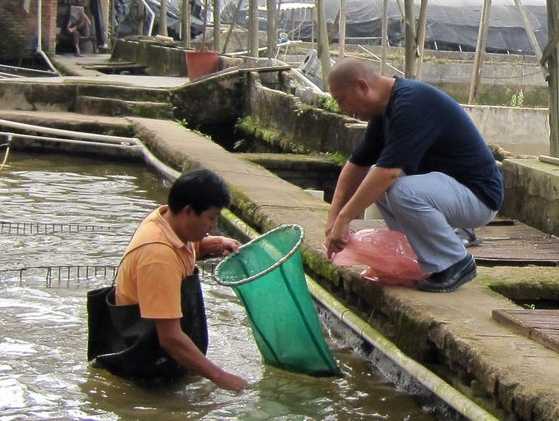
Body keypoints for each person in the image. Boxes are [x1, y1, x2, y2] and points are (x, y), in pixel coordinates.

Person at [324, 58, 503, 293]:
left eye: (342, 100)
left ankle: (455, 262)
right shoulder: (383, 110)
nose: (342, 109)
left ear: (362, 86)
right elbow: (357, 165)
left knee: (398, 188)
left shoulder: (412, 103)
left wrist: (345, 218)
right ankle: (416, 258)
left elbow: (388, 173)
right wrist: (333, 219)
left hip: (478, 197)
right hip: (445, 192)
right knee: (376, 186)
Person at [87, 169, 248, 391]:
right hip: (143, 364)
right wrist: (221, 378)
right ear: (188, 211)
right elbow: (170, 339)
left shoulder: (166, 220)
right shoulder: (158, 257)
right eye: (211, 218)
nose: (213, 226)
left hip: (162, 355)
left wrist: (215, 243)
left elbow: (186, 249)